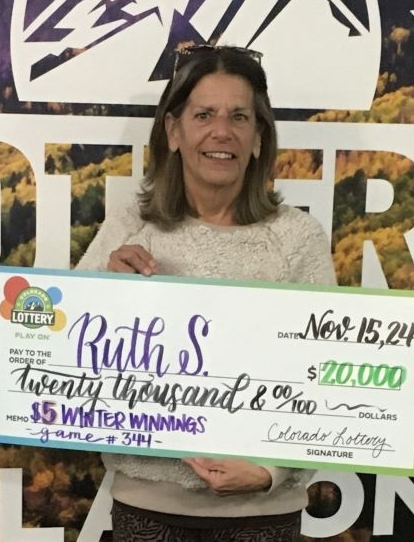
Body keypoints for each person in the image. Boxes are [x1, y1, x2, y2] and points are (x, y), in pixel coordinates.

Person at [75, 44, 336, 541]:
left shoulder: (298, 238)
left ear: (259, 138)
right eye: (204, 115)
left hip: (264, 513)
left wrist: (271, 471)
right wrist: (105, 293)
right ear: (173, 131)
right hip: (147, 509)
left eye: (240, 116)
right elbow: (69, 359)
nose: (223, 131)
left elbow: (327, 382)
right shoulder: (131, 225)